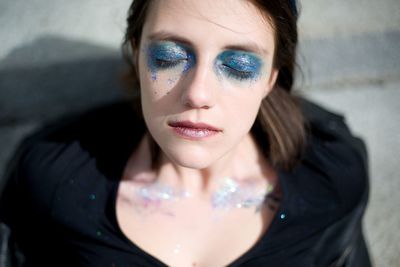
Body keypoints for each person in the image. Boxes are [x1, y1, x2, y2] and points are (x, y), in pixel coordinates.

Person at [0, 0, 372, 266]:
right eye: (168, 58)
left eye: (239, 67)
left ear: (271, 77)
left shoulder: (331, 185)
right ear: (137, 51)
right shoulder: (55, 181)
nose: (198, 93)